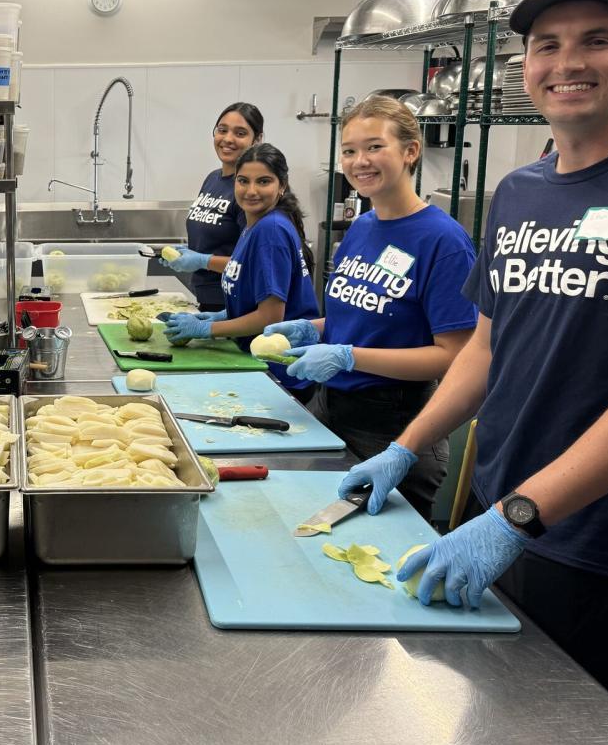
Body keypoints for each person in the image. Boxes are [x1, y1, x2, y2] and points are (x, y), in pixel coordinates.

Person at [348, 0, 608, 723]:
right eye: (546, 45)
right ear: (525, 67)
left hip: (599, 536)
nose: (567, 61)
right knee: (481, 718)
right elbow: (485, 353)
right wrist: (406, 446)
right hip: (499, 508)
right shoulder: (517, 192)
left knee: (562, 734)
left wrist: (518, 517)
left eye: (597, 40)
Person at [262, 97, 477, 519]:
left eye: (375, 147)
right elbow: (362, 314)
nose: (360, 161)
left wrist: (349, 356)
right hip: (328, 410)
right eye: (349, 150)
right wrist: (314, 328)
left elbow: (455, 356)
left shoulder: (443, 241)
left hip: (393, 428)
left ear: (411, 150)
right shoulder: (362, 227)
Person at [165, 144, 319, 402]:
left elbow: (270, 316)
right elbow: (260, 297)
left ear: (282, 186)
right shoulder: (254, 225)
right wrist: (221, 315)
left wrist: (209, 329)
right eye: (243, 181)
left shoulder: (271, 231)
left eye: (264, 181)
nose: (251, 191)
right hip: (258, 363)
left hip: (281, 371)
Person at [158, 103, 264, 310]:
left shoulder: (249, 192)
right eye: (222, 130)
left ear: (257, 139)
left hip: (233, 303)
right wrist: (187, 254)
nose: (228, 139)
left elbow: (254, 262)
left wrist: (202, 260)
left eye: (240, 133)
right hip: (204, 297)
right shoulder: (213, 179)